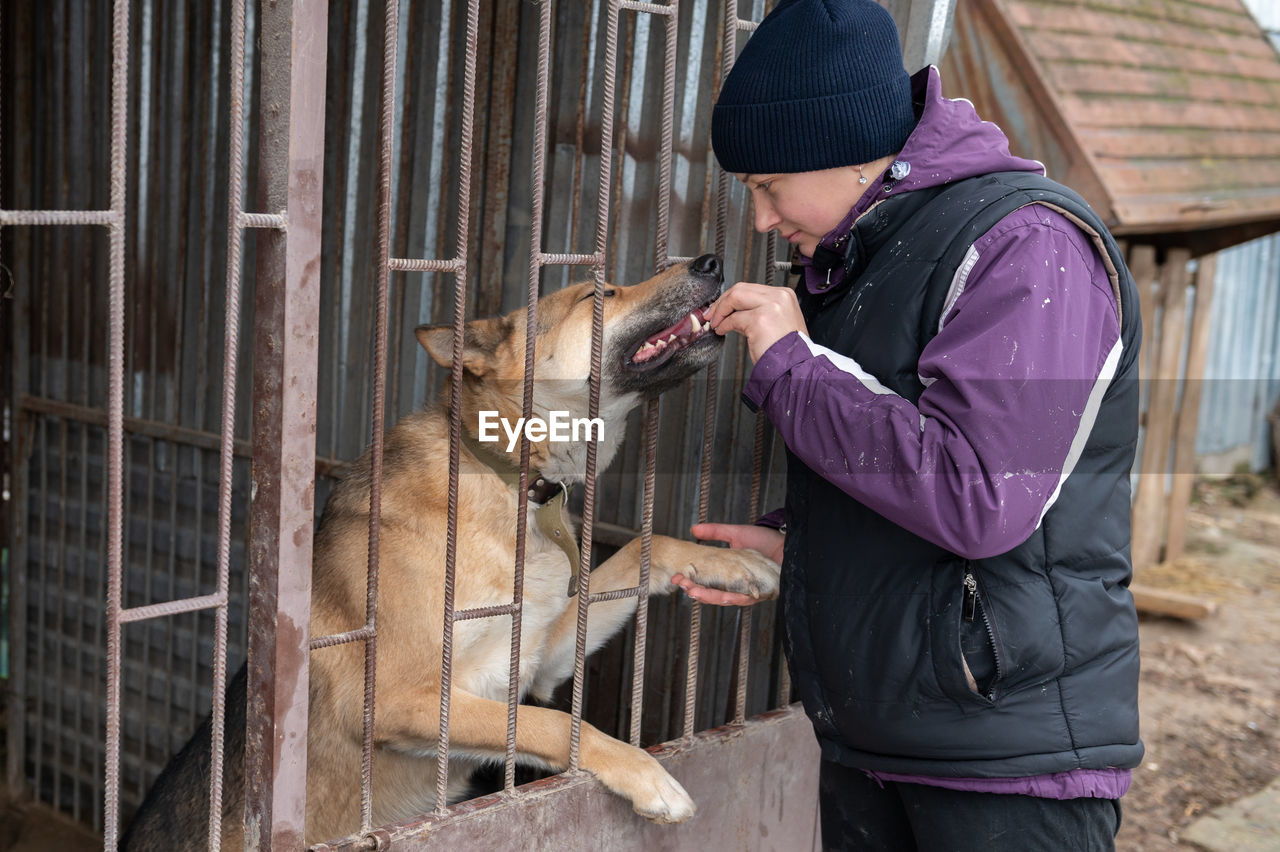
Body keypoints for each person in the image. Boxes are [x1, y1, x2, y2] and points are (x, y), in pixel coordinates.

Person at [669, 1, 1144, 849]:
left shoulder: (1025, 244)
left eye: (766, 187)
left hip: (1005, 764)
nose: (762, 219)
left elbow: (979, 494)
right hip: (880, 740)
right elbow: (902, 448)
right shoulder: (883, 248)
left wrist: (789, 362)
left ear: (845, 154)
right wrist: (812, 543)